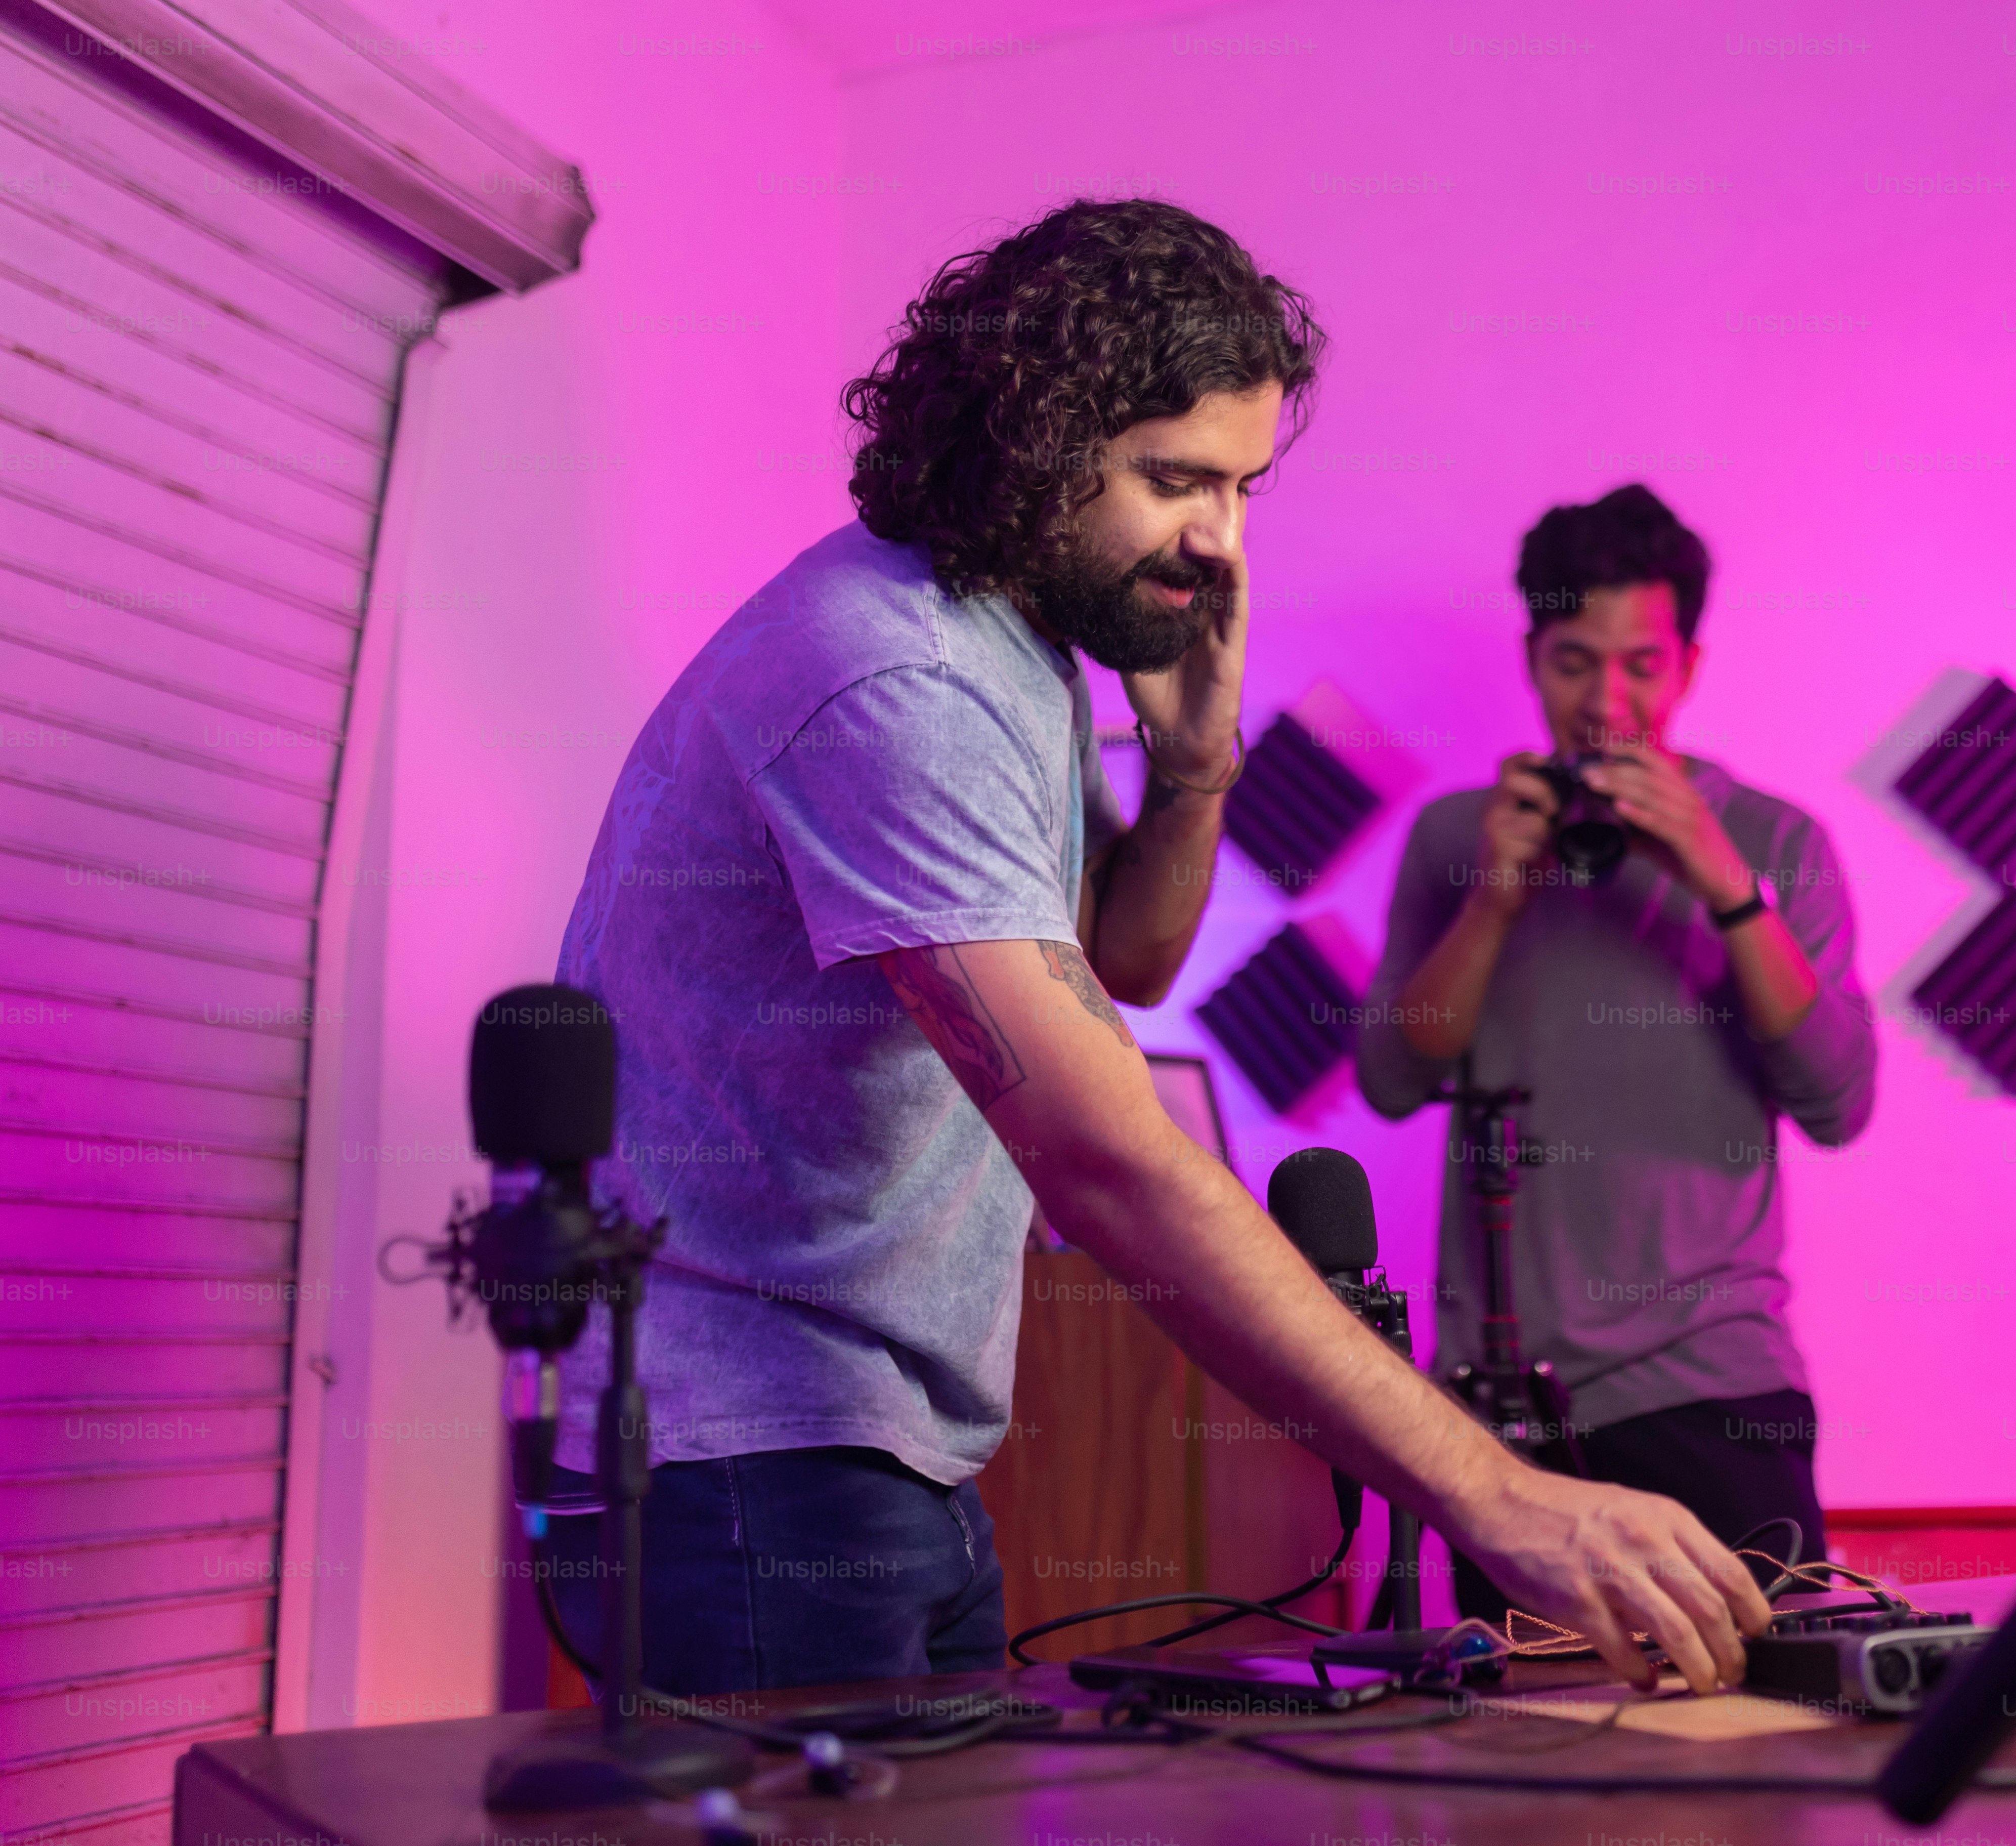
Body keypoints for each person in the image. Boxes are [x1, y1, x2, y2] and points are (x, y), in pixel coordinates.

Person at [535, 202, 1766, 1695]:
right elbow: (1105, 1158)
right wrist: (1499, 1495)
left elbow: (1119, 961)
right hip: (747, 1467)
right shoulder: (899, 680)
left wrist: (1192, 771)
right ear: (1029, 441)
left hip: (874, 1450)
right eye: (1175, 480)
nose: (1219, 541)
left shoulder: (1012, 643)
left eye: (1241, 487)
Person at [1358, 484, 1878, 1621]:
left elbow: (1839, 1101)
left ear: (1688, 667)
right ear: (1531, 660)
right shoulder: (1457, 838)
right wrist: (1495, 900)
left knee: (1769, 1716)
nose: (1606, 702)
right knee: (1523, 1726)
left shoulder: (1777, 840)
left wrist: (1724, 882)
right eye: (1573, 663)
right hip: (1505, 1423)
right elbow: (1391, 1081)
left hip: (1716, 1390)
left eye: (1642, 666)